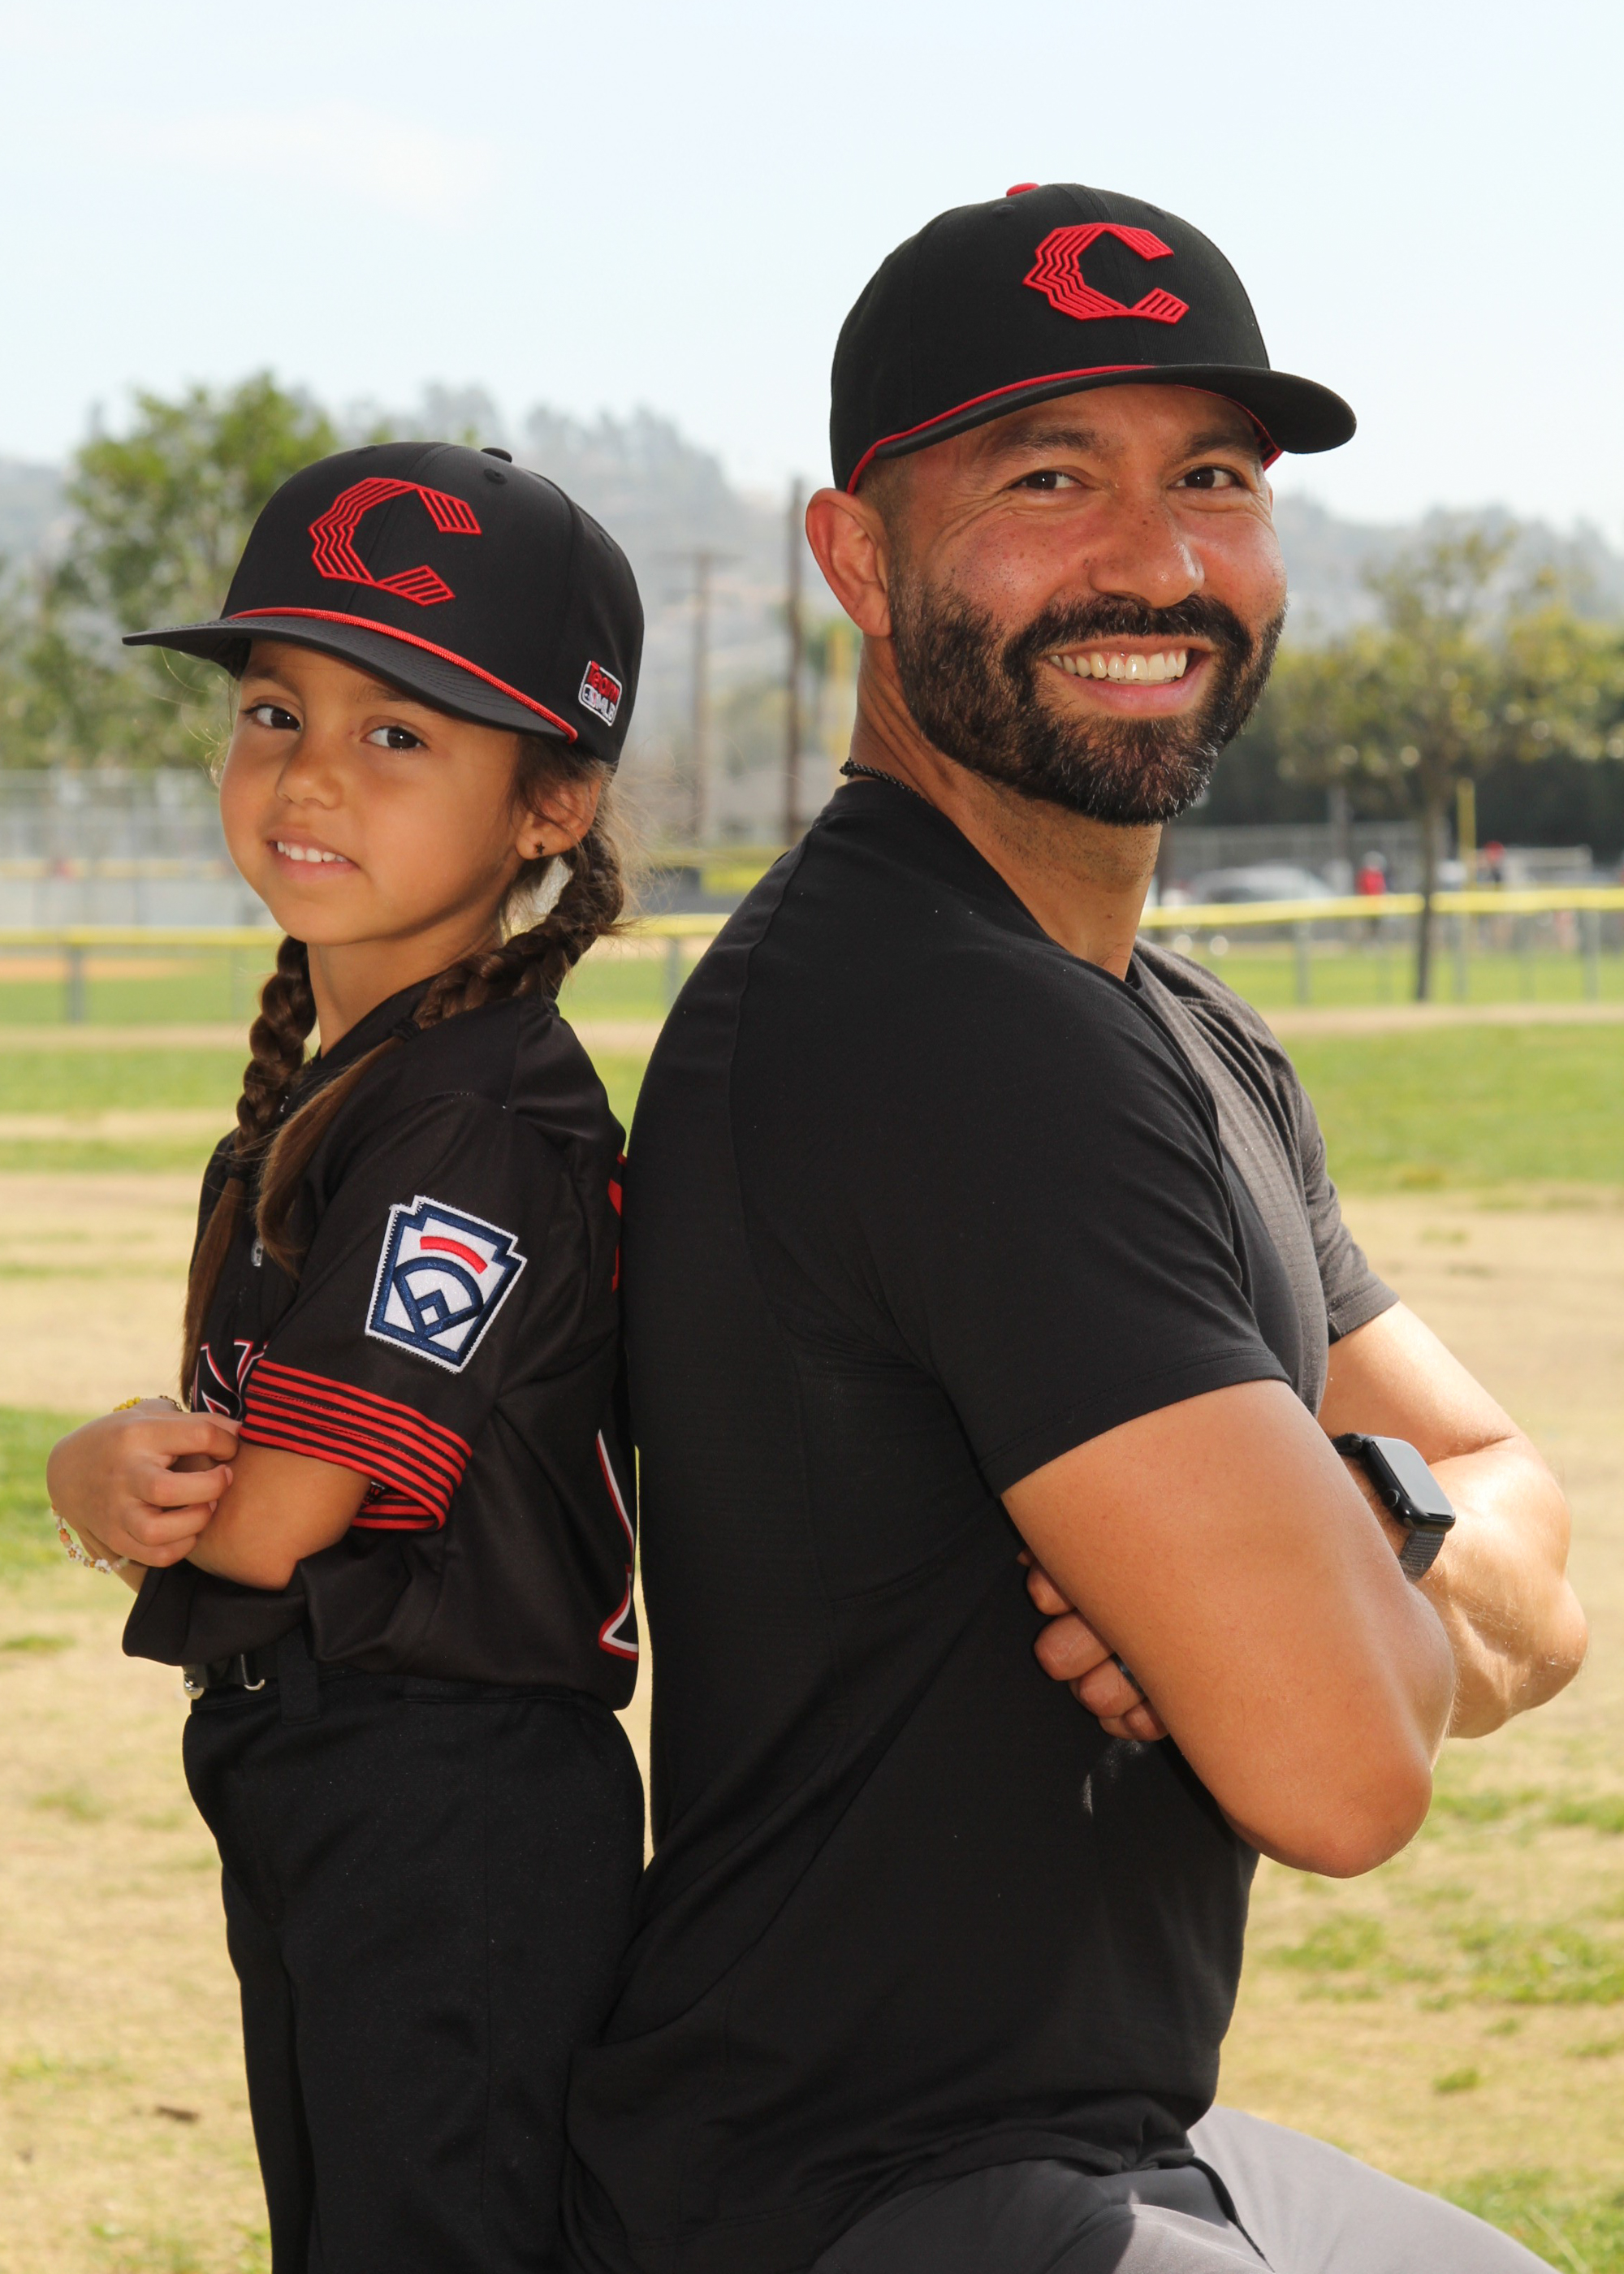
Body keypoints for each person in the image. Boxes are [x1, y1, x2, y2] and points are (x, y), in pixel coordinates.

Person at [564, 186, 1587, 2273]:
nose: (1156, 561)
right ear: (857, 558)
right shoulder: (936, 1019)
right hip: (857, 2199)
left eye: (1212, 479)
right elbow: (1341, 1768)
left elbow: (1525, 1545)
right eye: (1048, 480)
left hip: (1085, 2138)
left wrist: (1355, 1527)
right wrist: (1324, 1619)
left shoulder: (1176, 1032)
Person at [46, 441, 646, 2274]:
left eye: (401, 732)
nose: (308, 771)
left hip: (450, 1797)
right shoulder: (380, 1075)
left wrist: (98, 1477)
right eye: (273, 709)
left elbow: (273, 1516)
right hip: (350, 1769)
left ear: (552, 802)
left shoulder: (476, 1117)